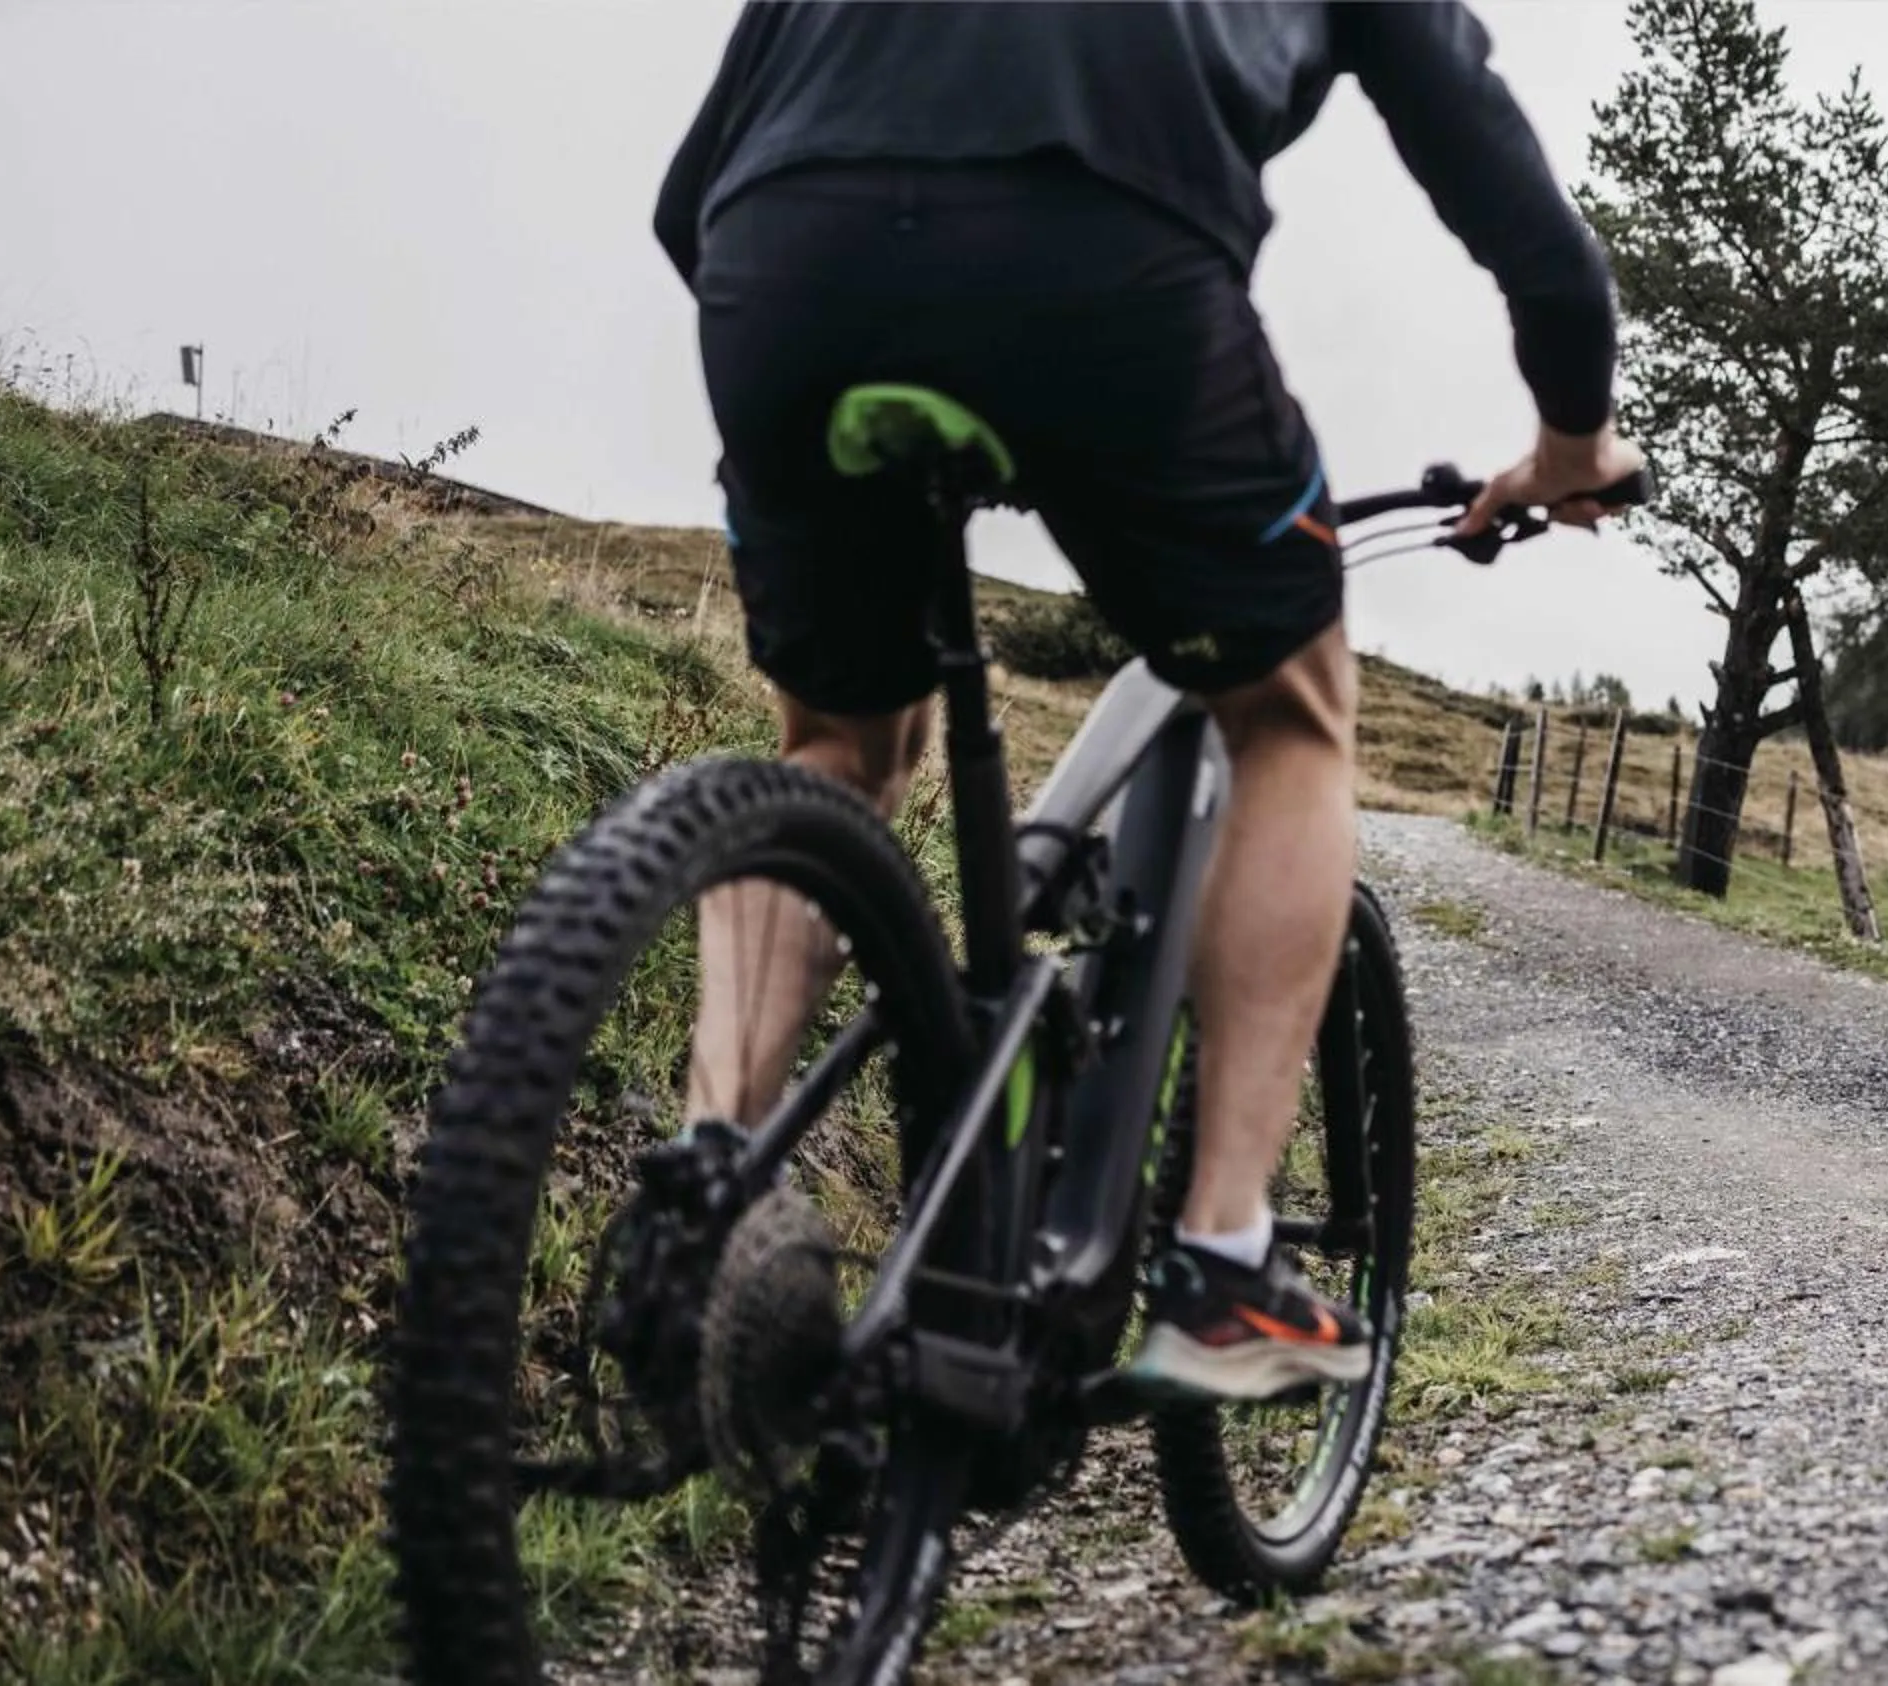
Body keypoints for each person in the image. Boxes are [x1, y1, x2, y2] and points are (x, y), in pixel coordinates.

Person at [650, 2, 1643, 1398]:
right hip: (1101, 255)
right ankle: (1226, 1262)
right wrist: (1573, 435)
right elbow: (1519, 212)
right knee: (1289, 708)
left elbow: (681, 204)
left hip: (779, 260)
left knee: (836, 746)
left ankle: (706, 1175)